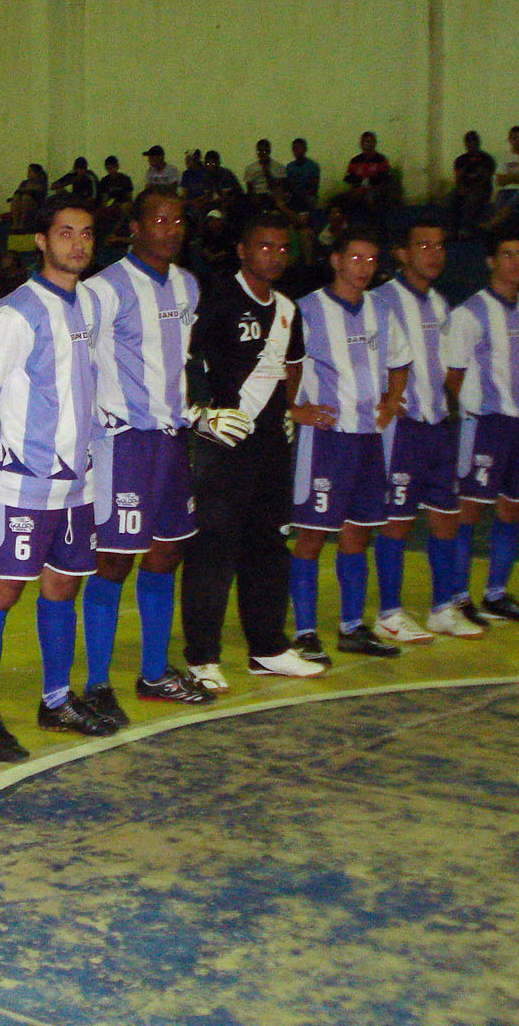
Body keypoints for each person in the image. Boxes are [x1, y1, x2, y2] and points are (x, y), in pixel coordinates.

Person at [0, 195, 110, 747]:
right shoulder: (16, 311)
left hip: (78, 482)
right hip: (24, 483)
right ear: (43, 241)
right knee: (0, 591)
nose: (77, 243)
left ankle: (55, 701)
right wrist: (26, 441)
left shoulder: (90, 305)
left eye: (87, 233)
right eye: (66, 232)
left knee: (62, 587)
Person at [77, 189, 214, 726]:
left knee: (166, 553)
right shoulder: (103, 289)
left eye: (178, 219)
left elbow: (176, 364)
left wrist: (195, 413)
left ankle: (154, 673)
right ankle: (95, 683)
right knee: (113, 560)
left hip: (171, 441)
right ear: (133, 227)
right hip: (123, 443)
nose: (170, 227)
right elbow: (80, 362)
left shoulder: (188, 285)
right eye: (158, 219)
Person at [180, 211, 324, 692]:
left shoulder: (288, 309)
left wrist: (288, 411)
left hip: (271, 449)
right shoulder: (218, 299)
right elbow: (189, 362)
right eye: (264, 246)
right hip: (225, 445)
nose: (275, 256)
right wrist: (202, 414)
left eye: (283, 248)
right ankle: (202, 655)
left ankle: (268, 648)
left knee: (269, 544)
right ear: (243, 250)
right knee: (213, 548)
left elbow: (290, 367)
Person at [287, 228, 411, 663]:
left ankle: (351, 627)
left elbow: (400, 360)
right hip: (324, 440)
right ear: (336, 260)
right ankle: (303, 632)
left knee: (359, 532)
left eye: (371, 259)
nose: (364, 267)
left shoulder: (381, 309)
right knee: (311, 535)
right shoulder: (306, 310)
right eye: (355, 258)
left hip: (368, 441)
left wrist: (392, 401)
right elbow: (283, 364)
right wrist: (294, 409)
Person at [369, 219, 483, 643]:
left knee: (445, 519)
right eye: (423, 245)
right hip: (401, 430)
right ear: (402, 253)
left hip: (438, 426)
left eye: (439, 245)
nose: (434, 253)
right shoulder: (380, 301)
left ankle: (441, 609)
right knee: (396, 522)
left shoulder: (440, 304)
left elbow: (449, 366)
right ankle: (389, 613)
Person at [446, 232, 519, 624]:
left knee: (512, 507)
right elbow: (452, 373)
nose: (515, 262)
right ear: (490, 261)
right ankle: (457, 594)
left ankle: (496, 593)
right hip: (485, 423)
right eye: (506, 255)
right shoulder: (470, 313)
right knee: (469, 508)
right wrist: (473, 410)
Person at [447, 131, 495, 237]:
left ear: (478, 142)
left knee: (472, 198)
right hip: (464, 188)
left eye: (473, 141)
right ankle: (450, 229)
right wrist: (461, 188)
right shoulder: (460, 160)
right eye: (468, 142)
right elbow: (458, 178)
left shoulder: (487, 159)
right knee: (450, 197)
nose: (471, 144)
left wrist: (470, 189)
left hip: (482, 189)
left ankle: (465, 228)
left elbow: (485, 179)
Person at [488, 125, 519, 228]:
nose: (517, 141)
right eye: (514, 138)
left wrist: (509, 177)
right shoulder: (505, 156)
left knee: (513, 201)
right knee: (499, 203)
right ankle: (501, 225)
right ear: (509, 139)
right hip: (506, 189)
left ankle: (495, 222)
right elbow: (500, 181)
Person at [342, 131, 392, 224]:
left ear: (375, 143)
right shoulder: (355, 161)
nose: (369, 144)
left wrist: (372, 188)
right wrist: (358, 187)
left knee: (371, 198)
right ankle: (348, 226)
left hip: (376, 190)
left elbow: (385, 179)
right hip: (358, 190)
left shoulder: (381, 160)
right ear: (361, 144)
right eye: (366, 142)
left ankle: (375, 226)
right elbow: (349, 179)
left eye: (371, 142)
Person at [285, 137, 321, 212]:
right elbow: (288, 185)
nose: (296, 151)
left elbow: (313, 187)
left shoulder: (313, 166)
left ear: (305, 149)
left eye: (298, 148)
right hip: (294, 196)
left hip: (307, 196)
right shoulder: (289, 167)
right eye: (294, 148)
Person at [8, 164, 49, 229]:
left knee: (26, 199)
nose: (28, 173)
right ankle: (15, 223)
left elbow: (38, 194)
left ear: (36, 173)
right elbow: (17, 192)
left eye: (30, 171)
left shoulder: (41, 182)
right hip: (21, 202)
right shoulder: (24, 183)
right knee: (15, 199)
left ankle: (22, 223)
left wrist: (26, 191)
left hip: (36, 204)